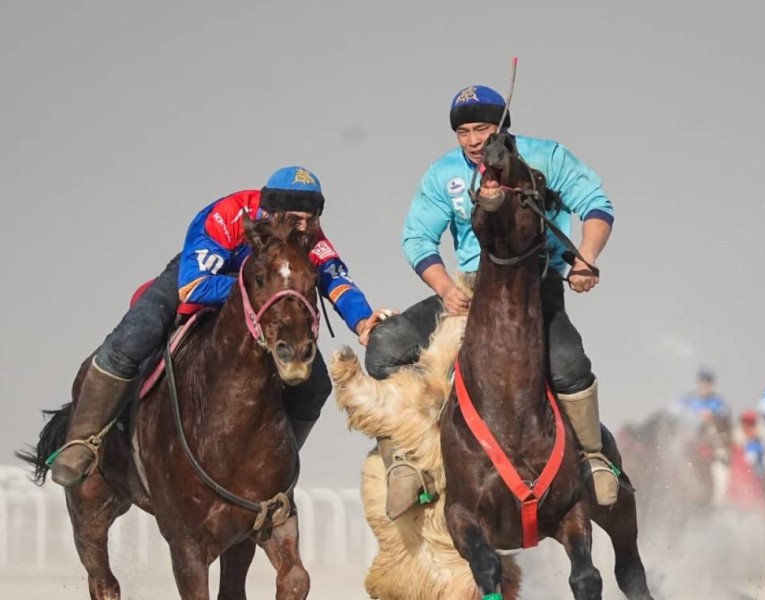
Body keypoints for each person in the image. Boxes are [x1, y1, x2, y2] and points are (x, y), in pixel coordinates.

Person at [365, 84, 618, 518]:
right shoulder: (443, 174)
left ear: (502, 127)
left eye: (481, 128)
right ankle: (404, 462)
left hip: (534, 288)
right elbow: (417, 237)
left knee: (570, 364)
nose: (473, 140)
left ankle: (592, 458)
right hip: (468, 288)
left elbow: (595, 204)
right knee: (384, 348)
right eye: (463, 132)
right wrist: (445, 287)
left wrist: (585, 259)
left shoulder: (547, 157)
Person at [50, 166, 390, 488]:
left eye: (311, 220)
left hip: (266, 292)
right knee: (133, 336)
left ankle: (280, 464)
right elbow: (194, 287)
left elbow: (334, 278)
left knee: (315, 384)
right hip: (202, 279)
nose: (303, 229)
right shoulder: (225, 216)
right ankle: (82, 439)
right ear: (270, 214)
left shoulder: (308, 236)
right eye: (295, 220)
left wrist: (362, 321)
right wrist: (257, 289)